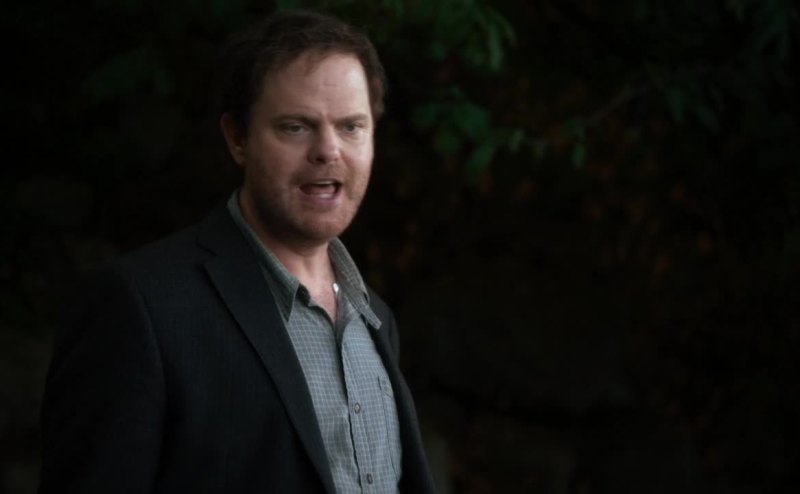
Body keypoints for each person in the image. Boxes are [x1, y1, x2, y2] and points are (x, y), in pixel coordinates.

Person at [39, 10, 434, 493]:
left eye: (352, 127)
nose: (328, 150)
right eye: (296, 127)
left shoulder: (375, 318)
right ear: (237, 139)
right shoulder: (139, 306)